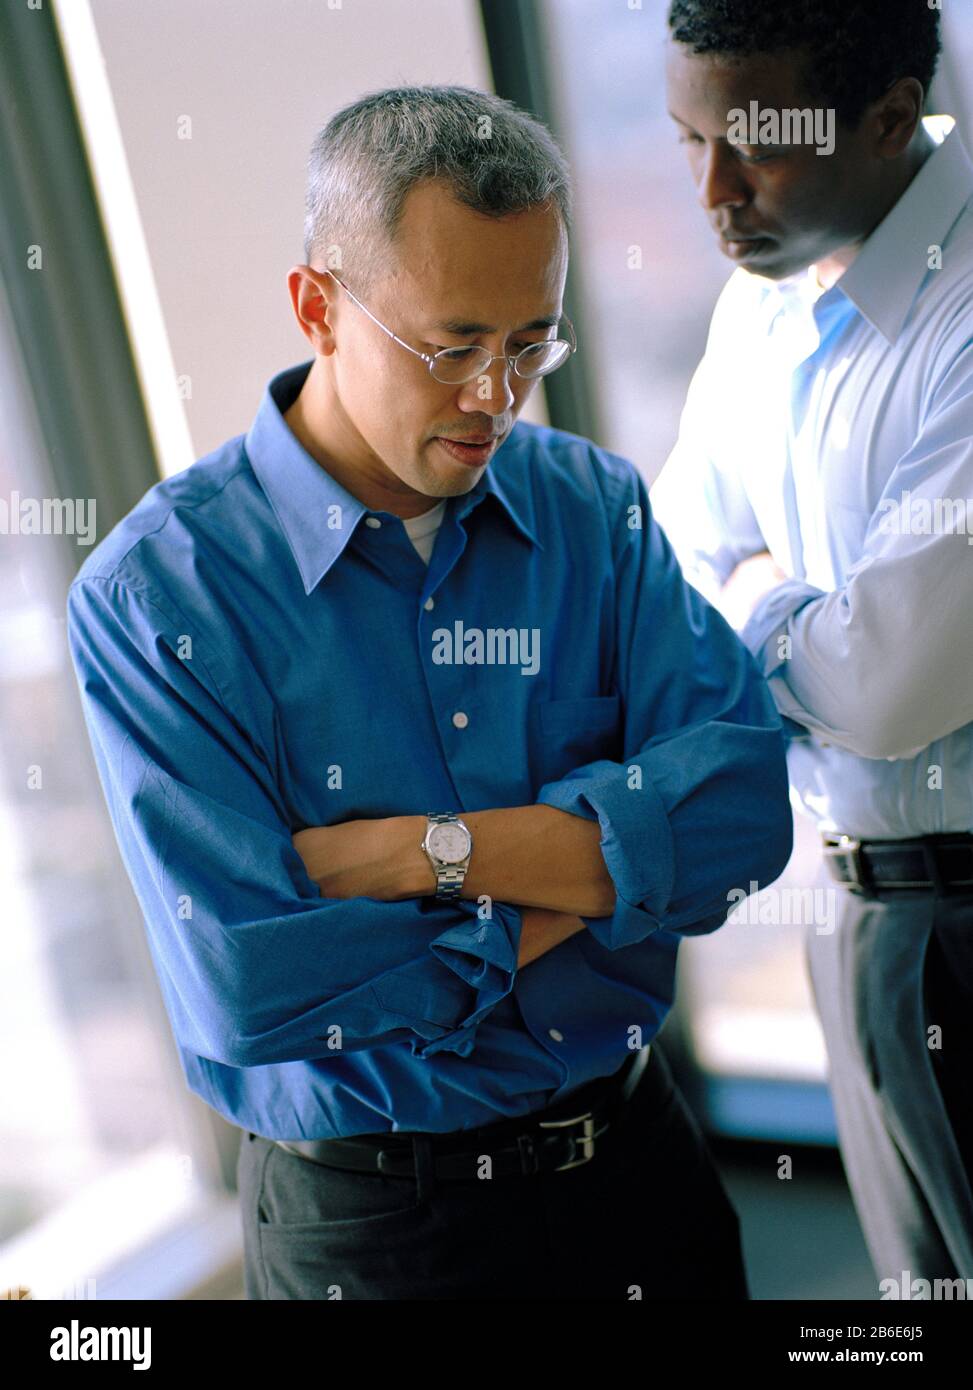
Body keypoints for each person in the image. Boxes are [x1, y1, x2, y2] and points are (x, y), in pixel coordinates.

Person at [66, 84, 791, 1301]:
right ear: (317, 309)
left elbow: (741, 814)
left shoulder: (590, 511)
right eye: (451, 345)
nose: (496, 396)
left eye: (529, 342)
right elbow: (252, 988)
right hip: (375, 1232)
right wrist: (597, 876)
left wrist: (415, 857)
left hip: (638, 1171)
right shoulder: (157, 600)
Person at [653, 0, 973, 1288]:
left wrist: (754, 602)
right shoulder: (761, 308)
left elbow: (885, 683)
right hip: (855, 911)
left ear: (890, 118)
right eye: (686, 143)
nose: (713, 193)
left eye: (753, 145)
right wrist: (789, 611)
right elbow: (659, 572)